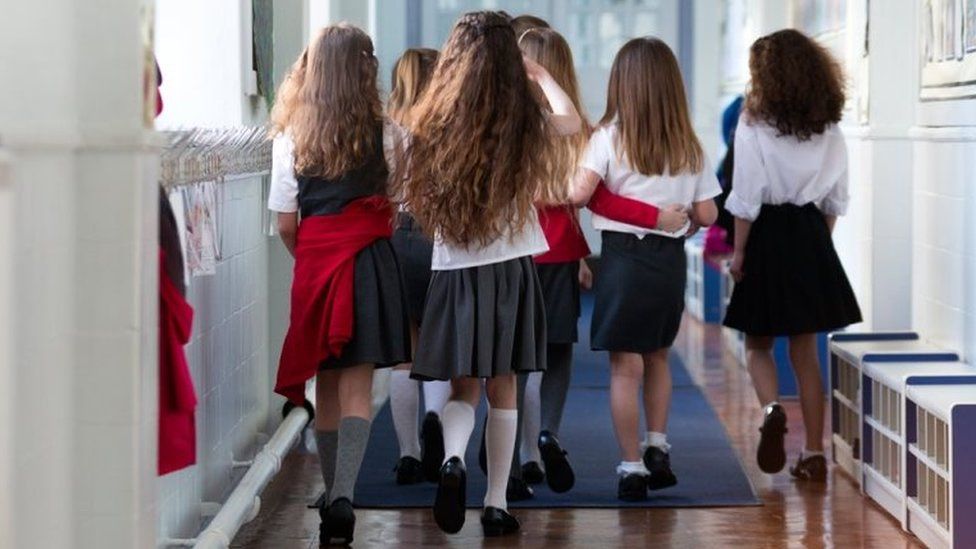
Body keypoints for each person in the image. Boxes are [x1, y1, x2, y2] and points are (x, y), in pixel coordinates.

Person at [399, 11, 580, 537]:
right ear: (509, 63)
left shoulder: (431, 123)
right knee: (504, 388)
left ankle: (453, 458)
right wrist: (542, 77)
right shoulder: (524, 121)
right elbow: (571, 123)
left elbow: (409, 198)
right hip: (510, 271)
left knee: (463, 390)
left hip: (454, 272)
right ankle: (497, 503)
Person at [268, 25, 411, 545]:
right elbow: (397, 204)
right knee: (358, 386)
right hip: (371, 262)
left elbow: (287, 222)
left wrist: (312, 258)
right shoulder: (390, 133)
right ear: (366, 69)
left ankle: (333, 493)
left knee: (324, 384)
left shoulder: (291, 136)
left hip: (316, 266)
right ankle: (345, 494)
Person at [571, 37, 721, 502]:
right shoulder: (688, 144)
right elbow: (710, 214)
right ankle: (657, 443)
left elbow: (579, 193)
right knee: (658, 356)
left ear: (622, 85)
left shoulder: (609, 138)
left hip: (623, 261)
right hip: (668, 263)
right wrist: (683, 218)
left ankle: (631, 466)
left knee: (623, 368)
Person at [723, 29, 861, 482]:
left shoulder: (752, 121)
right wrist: (819, 244)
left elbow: (746, 195)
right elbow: (836, 198)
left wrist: (740, 252)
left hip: (765, 233)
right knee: (806, 351)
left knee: (757, 342)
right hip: (810, 233)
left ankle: (770, 411)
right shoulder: (829, 124)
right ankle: (816, 451)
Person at [386, 47, 453, 485]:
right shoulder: (449, 128)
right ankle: (436, 417)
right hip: (441, 241)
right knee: (441, 346)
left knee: (402, 355)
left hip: (398, 235)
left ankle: (408, 452)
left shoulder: (388, 130)